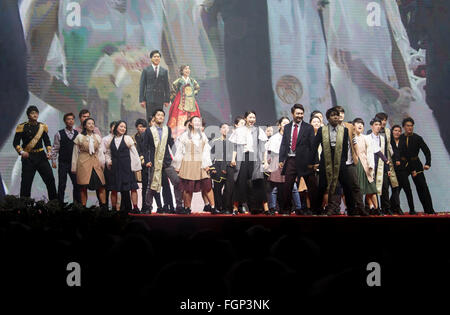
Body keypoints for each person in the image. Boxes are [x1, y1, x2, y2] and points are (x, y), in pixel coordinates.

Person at [313, 108, 367, 216]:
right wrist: (315, 161)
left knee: (347, 186)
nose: (336, 117)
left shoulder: (345, 130)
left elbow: (345, 147)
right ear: (328, 118)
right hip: (326, 161)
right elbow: (315, 146)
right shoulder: (322, 130)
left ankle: (351, 210)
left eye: (337, 115)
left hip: (341, 162)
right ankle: (317, 210)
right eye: (333, 115)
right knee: (323, 186)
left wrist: (343, 161)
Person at [172, 116, 217, 214]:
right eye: (195, 121)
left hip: (201, 163)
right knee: (188, 188)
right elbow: (179, 151)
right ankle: (187, 208)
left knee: (208, 186)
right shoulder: (184, 136)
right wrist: (177, 165)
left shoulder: (203, 136)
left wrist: (207, 164)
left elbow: (206, 151)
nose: (197, 122)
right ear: (191, 123)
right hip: (188, 163)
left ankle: (213, 207)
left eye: (199, 121)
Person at [279, 104, 318, 215]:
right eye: (297, 113)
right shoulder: (287, 127)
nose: (300, 116)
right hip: (291, 160)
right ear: (292, 114)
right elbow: (283, 144)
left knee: (312, 186)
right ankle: (287, 209)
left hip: (306, 162)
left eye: (301, 113)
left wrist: (315, 162)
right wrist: (281, 159)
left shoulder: (308, 127)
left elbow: (313, 146)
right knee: (287, 186)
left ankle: (315, 209)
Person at [142, 109, 183, 214]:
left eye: (162, 115)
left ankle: (179, 206)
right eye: (158, 115)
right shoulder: (148, 130)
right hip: (154, 162)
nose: (160, 117)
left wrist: (179, 158)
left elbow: (171, 144)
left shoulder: (167, 129)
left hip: (167, 162)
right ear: (154, 117)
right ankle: (148, 207)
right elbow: (144, 147)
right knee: (151, 186)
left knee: (177, 182)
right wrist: (147, 160)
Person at [13, 105, 57, 201]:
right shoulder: (21, 127)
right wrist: (21, 152)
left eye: (36, 113)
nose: (35, 115)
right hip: (28, 158)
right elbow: (15, 143)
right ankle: (24, 207)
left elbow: (47, 141)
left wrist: (49, 152)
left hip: (41, 156)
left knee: (50, 180)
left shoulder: (42, 126)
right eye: (32, 113)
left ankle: (54, 204)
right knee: (26, 183)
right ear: (28, 115)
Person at [230, 111, 269, 214]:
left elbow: (263, 148)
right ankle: (235, 208)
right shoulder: (239, 130)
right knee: (240, 182)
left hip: (255, 158)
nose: (252, 119)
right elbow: (235, 147)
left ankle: (265, 209)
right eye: (250, 117)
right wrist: (233, 159)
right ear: (245, 118)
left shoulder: (258, 130)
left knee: (258, 182)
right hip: (242, 157)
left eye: (254, 117)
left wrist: (265, 161)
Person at [334, 106, 367, 216]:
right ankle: (335, 209)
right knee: (337, 187)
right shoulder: (330, 127)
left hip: (350, 162)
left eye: (342, 113)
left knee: (355, 186)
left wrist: (356, 156)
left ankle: (361, 208)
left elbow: (354, 142)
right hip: (337, 164)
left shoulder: (349, 126)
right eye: (338, 113)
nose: (341, 115)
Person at [398, 117, 435, 214]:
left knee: (422, 188)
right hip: (404, 165)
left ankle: (429, 210)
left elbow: (427, 151)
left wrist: (428, 163)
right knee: (397, 187)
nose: (410, 128)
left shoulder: (418, 138)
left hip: (416, 165)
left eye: (411, 126)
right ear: (404, 127)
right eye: (407, 126)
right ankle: (393, 208)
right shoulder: (400, 138)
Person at [266, 116, 301, 215]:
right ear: (279, 125)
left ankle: (298, 208)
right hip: (276, 162)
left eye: (288, 123)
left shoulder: (292, 136)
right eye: (284, 123)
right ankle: (272, 207)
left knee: (293, 186)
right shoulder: (274, 137)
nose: (286, 125)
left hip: (289, 162)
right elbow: (269, 153)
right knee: (275, 187)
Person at [105, 120, 141, 213]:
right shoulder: (110, 140)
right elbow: (108, 153)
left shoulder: (127, 138)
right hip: (115, 168)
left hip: (126, 167)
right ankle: (113, 208)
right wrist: (108, 161)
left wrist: (136, 167)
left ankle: (136, 207)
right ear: (116, 127)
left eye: (124, 127)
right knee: (114, 189)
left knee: (132, 187)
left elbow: (134, 153)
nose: (123, 128)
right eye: (121, 126)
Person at [71, 117, 107, 208]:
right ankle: (83, 207)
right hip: (83, 162)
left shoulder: (97, 137)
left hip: (95, 162)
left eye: (92, 124)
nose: (91, 125)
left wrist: (102, 164)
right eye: (89, 123)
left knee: (101, 185)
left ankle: (103, 207)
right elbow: (75, 153)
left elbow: (100, 152)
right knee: (83, 187)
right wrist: (74, 167)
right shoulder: (79, 137)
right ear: (85, 125)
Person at [51, 112, 81, 204]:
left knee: (76, 184)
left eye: (72, 119)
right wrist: (53, 161)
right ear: (65, 121)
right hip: (63, 163)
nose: (70, 121)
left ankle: (77, 205)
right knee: (62, 184)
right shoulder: (59, 134)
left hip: (74, 163)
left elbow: (80, 149)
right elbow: (55, 148)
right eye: (68, 119)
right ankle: (60, 205)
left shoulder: (77, 134)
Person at [167, 65, 202, 137]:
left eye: (188, 69)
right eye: (185, 69)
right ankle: (178, 135)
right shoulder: (178, 81)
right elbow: (173, 91)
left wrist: (192, 93)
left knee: (193, 118)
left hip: (191, 102)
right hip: (180, 101)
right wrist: (172, 99)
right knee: (179, 118)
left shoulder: (192, 80)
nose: (187, 70)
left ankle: (193, 134)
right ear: (182, 71)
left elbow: (197, 88)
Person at [352, 118, 378, 211]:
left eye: (362, 124)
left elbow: (370, 152)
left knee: (371, 189)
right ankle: (359, 208)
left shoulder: (366, 138)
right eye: (358, 123)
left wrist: (371, 165)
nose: (360, 125)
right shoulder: (350, 138)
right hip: (354, 165)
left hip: (366, 165)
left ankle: (376, 208)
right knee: (358, 189)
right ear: (353, 126)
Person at [369, 117, 393, 215]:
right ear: (372, 126)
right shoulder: (368, 137)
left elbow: (385, 155)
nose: (378, 127)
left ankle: (385, 208)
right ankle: (372, 208)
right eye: (376, 125)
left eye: (379, 125)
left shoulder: (383, 138)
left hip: (382, 166)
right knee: (371, 189)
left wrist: (388, 169)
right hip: (371, 165)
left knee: (385, 188)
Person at [210, 123, 234, 214]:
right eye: (224, 128)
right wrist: (212, 168)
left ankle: (226, 208)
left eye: (228, 128)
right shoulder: (215, 141)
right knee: (217, 189)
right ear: (220, 130)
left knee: (228, 189)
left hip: (229, 166)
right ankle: (218, 207)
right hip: (218, 166)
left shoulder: (232, 142)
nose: (226, 130)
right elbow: (210, 156)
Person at [390, 124, 415, 214]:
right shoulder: (389, 142)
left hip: (403, 170)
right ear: (392, 132)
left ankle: (412, 209)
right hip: (392, 170)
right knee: (395, 190)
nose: (397, 132)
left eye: (399, 131)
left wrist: (412, 169)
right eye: (395, 130)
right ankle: (395, 208)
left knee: (407, 189)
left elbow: (408, 155)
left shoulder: (403, 142)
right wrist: (394, 161)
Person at [139, 50, 170, 119]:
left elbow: (166, 86)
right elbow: (142, 85)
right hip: (149, 98)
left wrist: (167, 100)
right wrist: (142, 99)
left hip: (160, 98)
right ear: (151, 58)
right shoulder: (146, 70)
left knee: (159, 116)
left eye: (158, 57)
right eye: (155, 57)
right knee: (150, 116)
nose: (156, 58)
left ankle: (158, 129)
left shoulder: (164, 71)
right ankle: (150, 129)